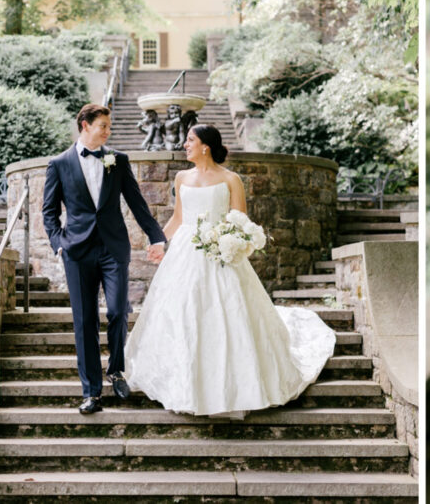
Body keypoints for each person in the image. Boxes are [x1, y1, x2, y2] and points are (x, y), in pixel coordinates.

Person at [124, 123, 336, 414]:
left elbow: (240, 221)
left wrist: (226, 241)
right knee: (183, 312)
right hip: (186, 252)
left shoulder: (230, 179)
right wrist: (160, 242)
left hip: (218, 252)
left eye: (189, 140)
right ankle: (184, 381)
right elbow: (179, 218)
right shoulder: (182, 177)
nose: (185, 145)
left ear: (205, 146)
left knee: (227, 312)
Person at [42, 103, 166, 414]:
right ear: (85, 125)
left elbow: (137, 203)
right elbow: (49, 213)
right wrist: (59, 243)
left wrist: (157, 236)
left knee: (116, 310)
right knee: (84, 321)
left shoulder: (117, 161)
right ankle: (91, 393)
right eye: (103, 126)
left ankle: (116, 369)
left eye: (108, 127)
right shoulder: (59, 164)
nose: (108, 132)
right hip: (77, 251)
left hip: (113, 248)